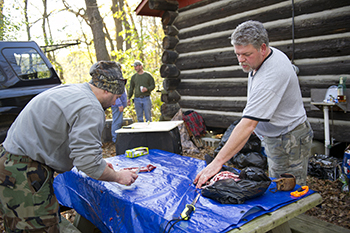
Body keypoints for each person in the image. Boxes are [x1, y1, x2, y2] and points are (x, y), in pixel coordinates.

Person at [0, 61, 139, 232]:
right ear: (106, 89)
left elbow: (76, 145)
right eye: (116, 97)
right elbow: (88, 164)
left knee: (18, 224)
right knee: (39, 228)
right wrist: (118, 176)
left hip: (10, 162)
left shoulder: (73, 91)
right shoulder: (90, 107)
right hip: (24, 173)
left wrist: (101, 165)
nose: (113, 103)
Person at [194, 20, 313, 188]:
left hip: (289, 137)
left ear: (262, 48)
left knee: (289, 189)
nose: (241, 60)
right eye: (238, 54)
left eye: (246, 54)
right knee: (275, 181)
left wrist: (217, 162)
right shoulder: (261, 58)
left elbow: (248, 124)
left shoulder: (272, 75)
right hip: (274, 134)